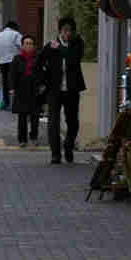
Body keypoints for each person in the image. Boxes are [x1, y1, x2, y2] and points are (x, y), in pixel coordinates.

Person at [47, 16, 88, 163]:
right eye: (65, 30)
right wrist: (42, 82)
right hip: (55, 90)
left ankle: (69, 145)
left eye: (70, 31)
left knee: (73, 122)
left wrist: (60, 48)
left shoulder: (77, 44)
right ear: (60, 31)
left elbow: (73, 59)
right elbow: (40, 62)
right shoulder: (50, 46)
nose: (67, 34)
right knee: (53, 122)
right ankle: (55, 154)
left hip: (72, 89)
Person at [14, 32, 44, 146]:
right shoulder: (17, 59)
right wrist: (12, 88)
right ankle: (22, 139)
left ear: (34, 46)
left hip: (35, 90)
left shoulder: (38, 58)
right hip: (21, 90)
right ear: (22, 46)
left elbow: (42, 73)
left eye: (31, 44)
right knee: (22, 116)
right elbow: (13, 74)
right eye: (26, 43)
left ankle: (34, 137)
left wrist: (42, 85)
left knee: (35, 116)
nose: (28, 46)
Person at [0, 19, 22, 109]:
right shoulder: (16, 34)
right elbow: (22, 46)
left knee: (5, 81)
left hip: (1, 61)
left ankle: (6, 102)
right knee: (14, 80)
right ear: (14, 27)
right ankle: (14, 102)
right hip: (13, 60)